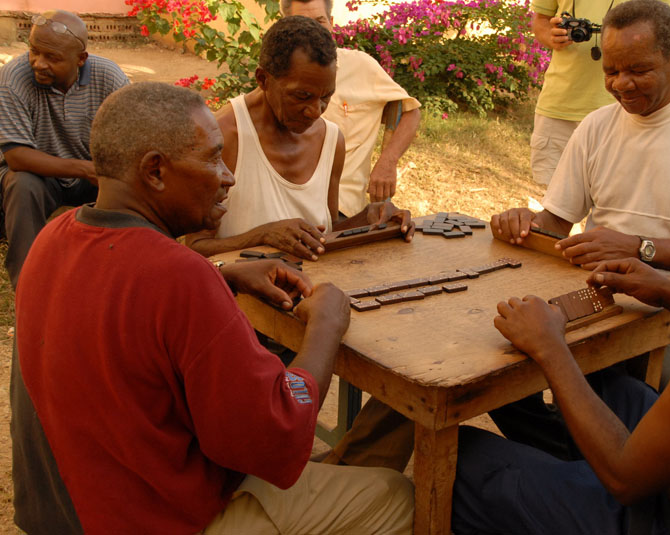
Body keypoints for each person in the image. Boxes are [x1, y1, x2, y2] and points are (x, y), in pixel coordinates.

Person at [11, 81, 413, 534]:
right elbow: (276, 434)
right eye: (212, 158)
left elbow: (120, 301)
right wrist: (326, 324)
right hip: (155, 520)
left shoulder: (54, 235)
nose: (228, 175)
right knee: (396, 497)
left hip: (66, 511)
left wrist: (223, 275)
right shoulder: (178, 276)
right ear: (156, 172)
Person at [452, 81, 670, 535]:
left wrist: (550, 346)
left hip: (664, 516)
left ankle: (545, 487)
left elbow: (625, 479)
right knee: (613, 386)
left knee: (461, 456)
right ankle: (556, 474)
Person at [493, 0, 670, 401]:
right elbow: (556, 223)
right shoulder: (596, 125)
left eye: (638, 70)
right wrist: (523, 223)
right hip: (597, 299)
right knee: (504, 365)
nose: (621, 84)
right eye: (611, 71)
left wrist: (636, 249)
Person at [184, 15, 414, 260]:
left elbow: (324, 232)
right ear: (263, 79)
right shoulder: (224, 136)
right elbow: (196, 246)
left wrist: (369, 218)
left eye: (326, 96)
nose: (315, 111)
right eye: (302, 96)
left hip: (315, 294)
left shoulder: (331, 140)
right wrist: (263, 235)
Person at [0, 10, 129, 288]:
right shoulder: (13, 78)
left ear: (81, 59)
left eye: (53, 58)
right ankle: (28, 284)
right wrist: (85, 168)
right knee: (21, 184)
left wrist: (104, 173)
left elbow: (131, 139)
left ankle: (121, 276)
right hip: (41, 175)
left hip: (95, 174)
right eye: (34, 51)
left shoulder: (109, 78)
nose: (39, 63)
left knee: (127, 183)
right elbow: (17, 156)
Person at [282, 0, 422, 217]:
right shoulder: (278, 75)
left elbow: (411, 111)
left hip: (340, 208)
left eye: (320, 21)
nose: (313, 32)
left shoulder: (360, 67)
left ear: (331, 23)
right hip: (286, 201)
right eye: (302, 24)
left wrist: (388, 161)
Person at [528, 0, 670, 186]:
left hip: (627, 113)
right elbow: (541, 19)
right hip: (560, 107)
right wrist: (551, 36)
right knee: (553, 203)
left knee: (618, 200)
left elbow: (667, 34)